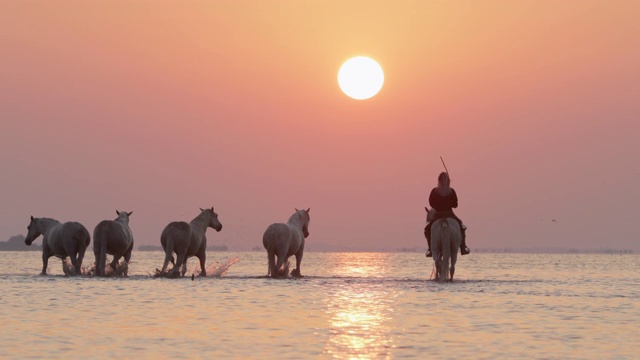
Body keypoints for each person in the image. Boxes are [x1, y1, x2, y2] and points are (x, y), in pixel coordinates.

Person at [424, 172, 470, 257]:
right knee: (461, 226)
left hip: (438, 214)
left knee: (427, 230)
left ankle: (430, 249)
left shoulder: (434, 191)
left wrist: (439, 205)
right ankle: (463, 247)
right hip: (449, 214)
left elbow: (431, 204)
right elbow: (455, 205)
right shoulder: (451, 191)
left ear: (439, 180)